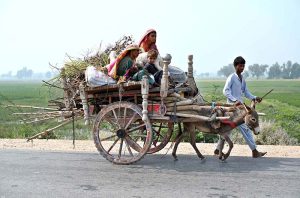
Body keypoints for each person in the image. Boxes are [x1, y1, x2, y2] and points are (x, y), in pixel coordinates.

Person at [214, 56, 267, 158]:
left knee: (227, 130)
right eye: (240, 66)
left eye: (243, 66)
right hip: (232, 109)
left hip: (240, 109)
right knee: (245, 129)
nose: (242, 68)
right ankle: (254, 151)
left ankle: (217, 150)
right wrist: (234, 100)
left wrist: (255, 97)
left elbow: (246, 93)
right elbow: (225, 91)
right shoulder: (231, 77)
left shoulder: (243, 79)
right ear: (235, 66)